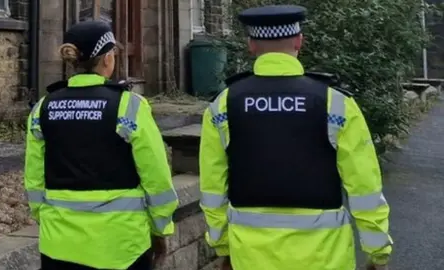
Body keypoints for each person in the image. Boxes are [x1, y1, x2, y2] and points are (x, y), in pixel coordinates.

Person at [199, 5, 392, 270]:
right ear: (300, 41)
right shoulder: (335, 104)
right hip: (325, 257)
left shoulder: (222, 106)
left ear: (251, 45)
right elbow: (365, 186)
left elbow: (212, 187)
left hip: (251, 256)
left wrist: (223, 247)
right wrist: (377, 251)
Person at [24, 21, 178, 270]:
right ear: (107, 59)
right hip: (122, 247)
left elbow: (33, 178)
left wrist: (47, 219)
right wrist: (161, 228)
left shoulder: (43, 108)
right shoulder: (129, 106)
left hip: (59, 246)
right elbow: (156, 176)